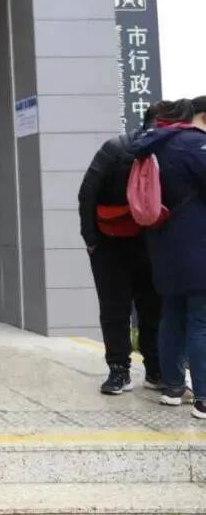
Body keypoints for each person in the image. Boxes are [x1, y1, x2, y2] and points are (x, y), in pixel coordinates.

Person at [77, 102, 167, 394]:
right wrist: (91, 240)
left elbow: (86, 192)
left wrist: (92, 239)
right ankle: (137, 369)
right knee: (139, 309)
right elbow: (88, 193)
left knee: (129, 309)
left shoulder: (116, 147)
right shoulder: (119, 149)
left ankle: (132, 371)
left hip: (128, 244)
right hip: (119, 243)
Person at [131, 96, 206, 420]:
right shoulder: (194, 144)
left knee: (172, 317)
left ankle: (173, 388)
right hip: (197, 246)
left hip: (162, 246)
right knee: (201, 322)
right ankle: (203, 398)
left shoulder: (152, 145)